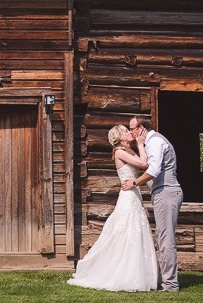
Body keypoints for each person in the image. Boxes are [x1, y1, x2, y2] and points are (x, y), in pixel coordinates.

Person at [68, 124, 160, 291]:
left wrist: (138, 147)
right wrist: (140, 144)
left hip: (135, 193)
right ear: (119, 137)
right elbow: (143, 164)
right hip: (128, 196)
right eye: (126, 131)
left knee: (136, 229)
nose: (129, 132)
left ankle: (139, 274)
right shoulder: (119, 152)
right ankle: (118, 272)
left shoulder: (129, 151)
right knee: (125, 230)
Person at [121, 115, 183, 292]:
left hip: (166, 192)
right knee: (163, 237)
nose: (130, 131)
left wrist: (135, 183)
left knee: (166, 239)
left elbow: (154, 170)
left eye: (132, 128)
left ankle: (170, 284)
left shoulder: (155, 141)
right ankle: (166, 280)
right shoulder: (149, 143)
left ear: (141, 128)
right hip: (163, 193)